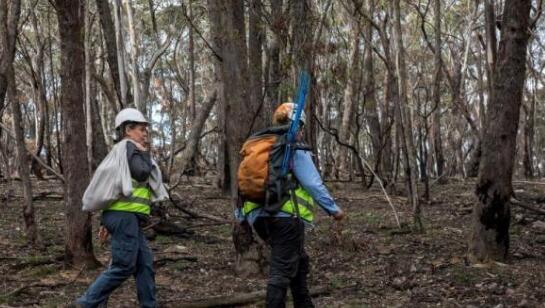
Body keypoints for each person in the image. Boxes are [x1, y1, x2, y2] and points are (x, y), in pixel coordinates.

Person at [238, 103, 345, 308]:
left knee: (298, 262)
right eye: (302, 127)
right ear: (299, 125)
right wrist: (334, 210)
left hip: (258, 217)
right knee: (281, 270)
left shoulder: (259, 145)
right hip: (286, 217)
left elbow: (243, 185)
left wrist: (241, 216)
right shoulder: (291, 146)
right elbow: (313, 183)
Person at [77, 108, 161, 308]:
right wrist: (146, 154)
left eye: (145, 130)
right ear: (128, 130)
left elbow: (114, 187)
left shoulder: (124, 152)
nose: (144, 134)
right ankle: (86, 303)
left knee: (145, 265)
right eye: (141, 129)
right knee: (124, 266)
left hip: (126, 217)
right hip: (124, 217)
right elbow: (141, 173)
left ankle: (149, 305)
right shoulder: (129, 148)